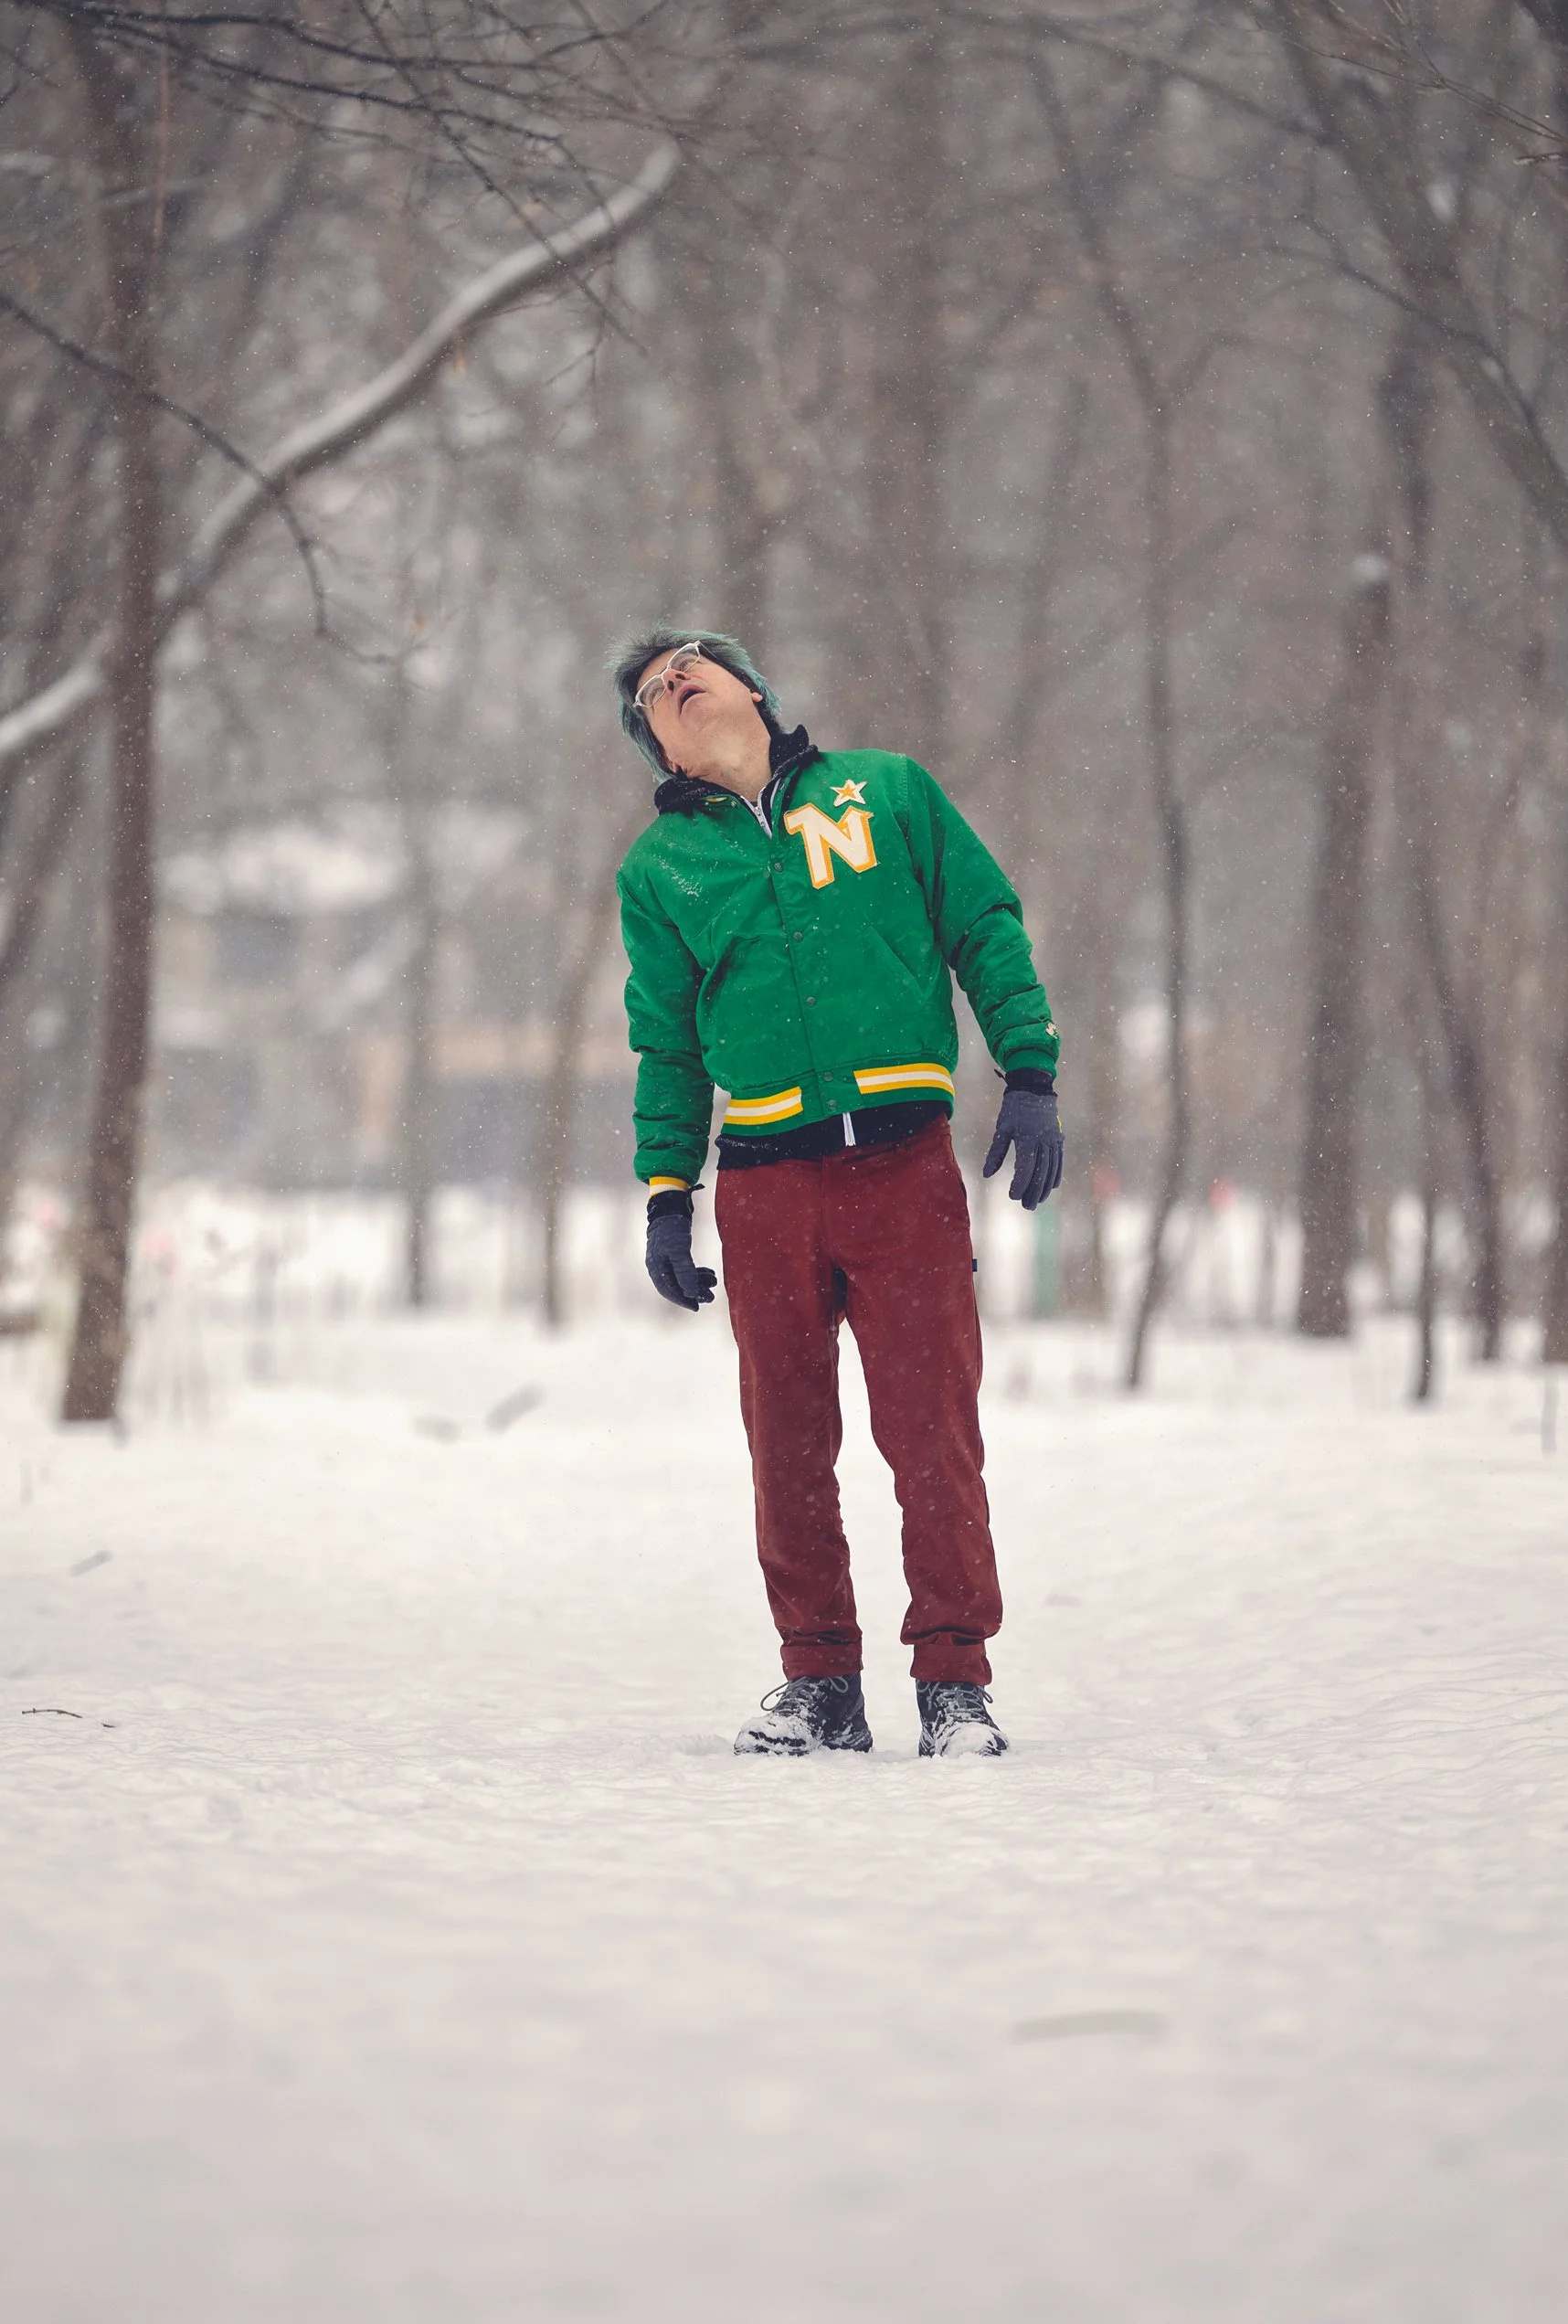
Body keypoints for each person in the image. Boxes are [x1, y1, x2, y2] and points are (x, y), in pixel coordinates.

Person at [613, 631, 1063, 1758]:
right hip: (764, 1183)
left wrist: (1029, 1068)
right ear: (659, 747)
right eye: (652, 693)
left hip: (902, 1167)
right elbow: (666, 1044)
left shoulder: (888, 791)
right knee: (788, 1444)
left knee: (932, 1434)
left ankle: (955, 1683)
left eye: (690, 663)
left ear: (753, 686)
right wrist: (667, 1191)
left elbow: (982, 921)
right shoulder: (659, 871)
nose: (675, 682)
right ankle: (820, 1682)